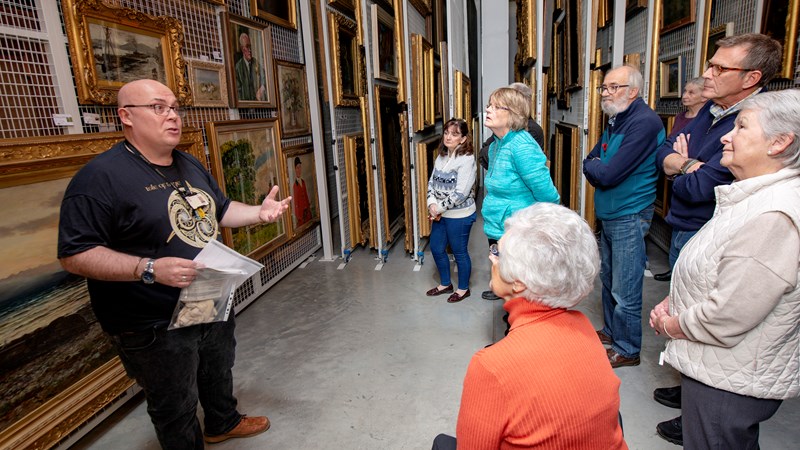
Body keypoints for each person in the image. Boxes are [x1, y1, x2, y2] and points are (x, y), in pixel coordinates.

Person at [57, 79, 291, 449]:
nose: (172, 116)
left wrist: (259, 214)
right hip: (151, 320)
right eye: (158, 107)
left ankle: (222, 422)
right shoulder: (100, 178)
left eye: (175, 107)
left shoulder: (187, 161)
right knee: (175, 403)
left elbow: (221, 208)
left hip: (207, 295)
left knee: (218, 367)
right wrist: (147, 269)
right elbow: (74, 255)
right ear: (126, 116)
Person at [650, 33, 783, 446]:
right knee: (688, 290)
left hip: (735, 371)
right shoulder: (711, 110)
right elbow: (665, 153)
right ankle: (690, 398)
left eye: (719, 68)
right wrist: (686, 164)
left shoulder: (773, 209)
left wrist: (684, 167)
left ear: (751, 77)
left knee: (720, 426)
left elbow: (700, 186)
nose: (707, 75)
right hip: (692, 227)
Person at [432, 203, 627, 450]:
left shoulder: (491, 367)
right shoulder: (584, 327)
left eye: (498, 252)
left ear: (518, 283)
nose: (491, 257)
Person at [583, 65, 665, 368]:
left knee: (625, 286)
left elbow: (608, 172)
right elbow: (590, 161)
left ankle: (628, 349)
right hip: (611, 213)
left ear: (633, 91)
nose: (606, 93)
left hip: (629, 214)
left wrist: (596, 166)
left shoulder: (643, 122)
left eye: (613, 87)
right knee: (608, 278)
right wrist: (596, 166)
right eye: (604, 88)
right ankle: (611, 331)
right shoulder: (617, 118)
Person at [481, 87, 559, 304]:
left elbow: (548, 195)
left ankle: (518, 335)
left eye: (496, 107)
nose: (488, 109)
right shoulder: (498, 144)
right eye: (489, 105)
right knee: (508, 291)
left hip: (519, 233)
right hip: (499, 228)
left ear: (513, 114)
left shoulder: (521, 146)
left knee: (520, 294)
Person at [652, 77, 707, 281]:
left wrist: (679, 162)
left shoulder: (707, 120)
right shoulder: (681, 117)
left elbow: (702, 168)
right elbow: (666, 150)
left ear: (705, 94)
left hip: (696, 195)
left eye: (692, 92)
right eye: (684, 91)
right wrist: (681, 163)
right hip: (677, 182)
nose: (685, 96)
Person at [425, 118, 477, 303]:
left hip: (460, 215)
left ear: (463, 139)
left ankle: (463, 289)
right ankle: (445, 284)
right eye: (447, 133)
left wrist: (437, 208)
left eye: (454, 134)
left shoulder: (467, 159)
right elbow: (432, 181)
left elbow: (461, 193)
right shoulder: (441, 156)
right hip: (440, 213)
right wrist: (431, 202)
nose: (448, 137)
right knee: (437, 248)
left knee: (459, 251)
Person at [235, 32, 266, 101]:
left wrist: (262, 88)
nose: (250, 50)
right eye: (247, 46)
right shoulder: (238, 68)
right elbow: (238, 94)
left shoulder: (255, 62)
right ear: (242, 48)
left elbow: (265, 78)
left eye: (250, 46)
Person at [292, 157, 312, 226]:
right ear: (295, 169)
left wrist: (309, 210)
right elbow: (296, 204)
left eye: (300, 167)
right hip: (302, 217)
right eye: (297, 168)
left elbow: (306, 196)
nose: (299, 170)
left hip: (308, 214)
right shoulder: (295, 185)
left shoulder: (303, 182)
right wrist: (299, 217)